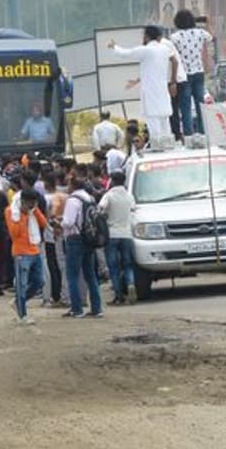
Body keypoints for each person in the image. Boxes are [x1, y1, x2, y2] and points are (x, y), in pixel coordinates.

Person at [109, 26, 178, 142]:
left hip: (151, 94)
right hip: (162, 93)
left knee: (153, 124)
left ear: (146, 36)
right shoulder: (165, 50)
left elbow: (125, 54)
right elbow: (152, 69)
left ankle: (158, 146)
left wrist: (114, 47)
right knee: (165, 124)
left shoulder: (146, 50)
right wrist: (138, 80)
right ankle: (168, 145)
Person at [61, 175, 104, 319]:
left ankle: (76, 308)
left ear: (73, 185)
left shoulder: (73, 200)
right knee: (90, 274)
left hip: (75, 239)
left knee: (72, 275)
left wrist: (58, 222)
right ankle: (97, 308)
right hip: (89, 238)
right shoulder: (90, 198)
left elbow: (68, 222)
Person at [7, 188, 48, 325]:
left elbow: (43, 223)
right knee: (21, 285)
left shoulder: (33, 210)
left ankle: (18, 302)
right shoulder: (11, 212)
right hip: (21, 252)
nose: (32, 206)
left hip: (34, 249)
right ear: (23, 201)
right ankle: (22, 315)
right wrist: (23, 215)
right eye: (30, 203)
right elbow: (14, 233)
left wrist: (35, 211)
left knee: (40, 281)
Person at [171, 8, 214, 136]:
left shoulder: (174, 37)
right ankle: (202, 132)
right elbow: (212, 37)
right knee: (200, 105)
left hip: (183, 75)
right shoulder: (200, 33)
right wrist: (208, 22)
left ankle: (189, 134)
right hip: (199, 72)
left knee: (185, 107)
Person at [100, 171, 137, 305]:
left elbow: (100, 209)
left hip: (112, 234)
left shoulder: (108, 195)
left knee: (114, 267)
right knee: (128, 265)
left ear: (113, 181)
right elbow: (133, 210)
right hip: (126, 233)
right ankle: (131, 284)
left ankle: (118, 296)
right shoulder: (129, 196)